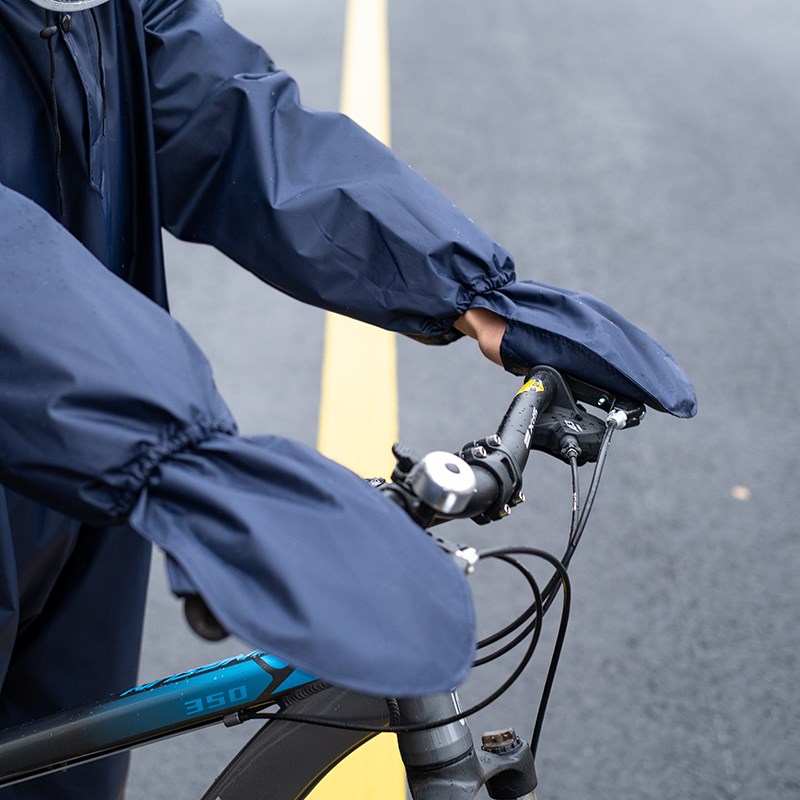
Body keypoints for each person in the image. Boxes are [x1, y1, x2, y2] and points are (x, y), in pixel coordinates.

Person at [0, 0, 697, 796]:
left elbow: (225, 112)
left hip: (89, 484)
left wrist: (472, 291)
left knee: (64, 771)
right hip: (97, 435)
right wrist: (169, 454)